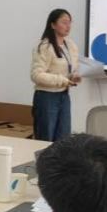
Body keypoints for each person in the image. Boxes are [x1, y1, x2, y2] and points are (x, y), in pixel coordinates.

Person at [30, 8, 81, 142]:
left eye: (70, 22)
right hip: (46, 97)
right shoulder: (44, 46)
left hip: (64, 96)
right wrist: (62, 80)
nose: (68, 26)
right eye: (64, 22)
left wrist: (74, 76)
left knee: (64, 138)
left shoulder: (71, 45)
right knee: (45, 139)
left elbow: (71, 68)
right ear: (53, 25)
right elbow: (36, 75)